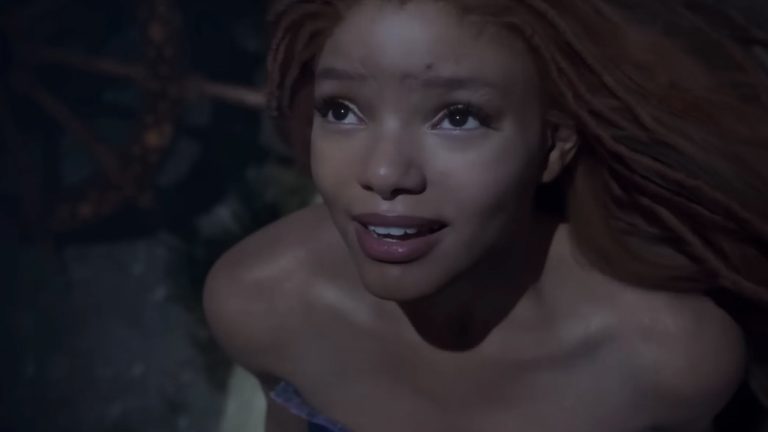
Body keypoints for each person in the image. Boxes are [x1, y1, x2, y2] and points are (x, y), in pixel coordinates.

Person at [204, 0, 768, 430]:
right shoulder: (260, 303)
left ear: (554, 144)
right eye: (341, 109)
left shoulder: (668, 360)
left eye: (458, 117)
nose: (383, 172)